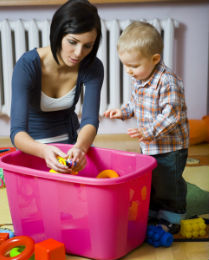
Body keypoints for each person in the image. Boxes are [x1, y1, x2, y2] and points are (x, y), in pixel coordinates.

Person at [104, 21, 189, 233]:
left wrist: (148, 131)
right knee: (151, 177)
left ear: (155, 59)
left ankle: (172, 215)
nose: (129, 71)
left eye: (134, 66)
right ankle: (152, 210)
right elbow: (136, 102)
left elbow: (172, 116)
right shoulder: (141, 78)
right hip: (149, 144)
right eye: (125, 65)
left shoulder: (168, 82)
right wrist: (123, 112)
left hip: (170, 146)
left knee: (168, 180)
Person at [10, 0, 104, 173]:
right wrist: (43, 151)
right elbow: (17, 132)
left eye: (87, 46)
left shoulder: (92, 66)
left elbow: (90, 120)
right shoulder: (27, 65)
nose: (78, 53)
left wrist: (80, 148)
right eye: (72, 42)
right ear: (58, 33)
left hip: (71, 145)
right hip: (34, 149)